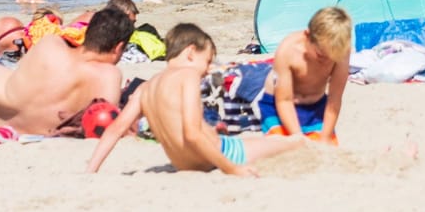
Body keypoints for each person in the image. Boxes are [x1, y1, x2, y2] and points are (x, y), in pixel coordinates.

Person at [85, 24, 300, 176]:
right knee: (293, 144)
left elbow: (115, 129)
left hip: (183, 165)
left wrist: (90, 170)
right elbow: (192, 133)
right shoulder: (188, 76)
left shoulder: (145, 88)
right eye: (206, 61)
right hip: (223, 153)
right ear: (190, 53)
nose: (207, 70)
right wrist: (231, 168)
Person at [0, 6, 128, 136]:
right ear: (119, 47)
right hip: (39, 131)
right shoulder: (109, 75)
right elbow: (108, 119)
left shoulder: (51, 43)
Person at [257, 6, 352, 139]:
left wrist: (325, 138)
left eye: (331, 57)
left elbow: (334, 101)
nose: (326, 61)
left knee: (324, 151)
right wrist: (298, 137)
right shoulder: (288, 50)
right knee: (284, 149)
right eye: (321, 55)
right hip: (277, 106)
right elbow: (284, 101)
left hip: (316, 108)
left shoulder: (341, 52)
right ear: (307, 36)